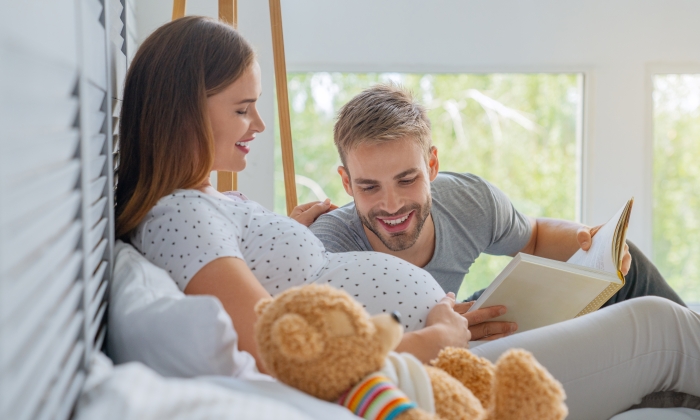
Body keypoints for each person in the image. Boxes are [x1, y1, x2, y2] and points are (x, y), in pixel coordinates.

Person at [116, 17, 700, 420]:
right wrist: (433, 337)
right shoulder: (181, 215)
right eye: (242, 110)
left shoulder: (206, 206)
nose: (259, 127)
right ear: (184, 111)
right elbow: (282, 350)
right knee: (660, 327)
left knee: (662, 324)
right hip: (428, 369)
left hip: (447, 349)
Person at [309, 84, 686, 341]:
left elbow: (535, 236)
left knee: (625, 262)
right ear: (346, 182)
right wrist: (436, 329)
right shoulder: (329, 246)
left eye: (407, 180)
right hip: (429, 345)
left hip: (465, 316)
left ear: (433, 166)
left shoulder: (467, 200)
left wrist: (592, 240)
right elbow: (334, 349)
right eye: (369, 187)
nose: (391, 205)